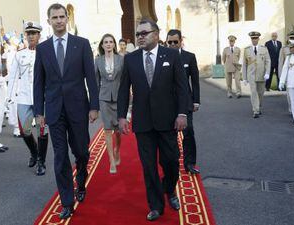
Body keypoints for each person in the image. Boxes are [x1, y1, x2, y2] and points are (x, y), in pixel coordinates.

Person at [118, 19, 188, 221]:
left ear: (156, 35)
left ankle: (170, 190)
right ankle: (156, 205)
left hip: (168, 121)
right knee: (148, 167)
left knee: (171, 161)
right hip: (143, 122)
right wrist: (122, 116)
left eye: (144, 33)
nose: (140, 36)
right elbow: (124, 89)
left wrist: (182, 113)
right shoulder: (130, 59)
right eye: (138, 33)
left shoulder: (172, 55)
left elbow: (182, 87)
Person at [33, 3, 99, 219]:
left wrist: (94, 106)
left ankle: (81, 177)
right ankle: (67, 202)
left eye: (62, 16)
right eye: (55, 17)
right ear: (49, 20)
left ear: (67, 19)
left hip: (78, 107)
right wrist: (39, 111)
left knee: (81, 151)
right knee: (60, 156)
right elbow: (38, 82)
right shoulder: (42, 49)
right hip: (54, 110)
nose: (59, 20)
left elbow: (91, 77)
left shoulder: (81, 44)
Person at [8, 21, 49, 176]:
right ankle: (34, 152)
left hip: (42, 98)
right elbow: (12, 77)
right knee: (25, 130)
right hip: (24, 97)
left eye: (34, 33)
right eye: (29, 33)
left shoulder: (46, 53)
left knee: (42, 130)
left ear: (39, 35)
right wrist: (9, 97)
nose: (31, 36)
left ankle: (41, 162)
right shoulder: (19, 55)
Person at [166, 29, 200, 174]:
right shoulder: (162, 56)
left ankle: (190, 163)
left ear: (181, 41)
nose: (173, 44)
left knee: (189, 132)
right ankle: (172, 162)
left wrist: (196, 101)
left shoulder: (189, 57)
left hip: (186, 102)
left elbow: (195, 80)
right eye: (170, 42)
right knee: (169, 134)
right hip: (167, 102)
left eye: (175, 41)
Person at [95, 33, 123, 174]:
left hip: (119, 98)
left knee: (118, 131)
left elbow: (125, 80)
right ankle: (111, 160)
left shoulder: (121, 59)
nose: (108, 44)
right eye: (105, 42)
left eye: (111, 41)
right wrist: (95, 101)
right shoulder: (98, 60)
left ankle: (117, 150)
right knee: (107, 130)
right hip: (104, 98)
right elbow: (96, 81)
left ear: (114, 44)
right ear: (102, 45)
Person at [242, 31, 271, 118]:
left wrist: (267, 73)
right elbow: (245, 64)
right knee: (253, 92)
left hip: (261, 74)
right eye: (252, 38)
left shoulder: (264, 49)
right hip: (251, 75)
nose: (254, 40)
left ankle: (259, 106)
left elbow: (268, 61)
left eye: (256, 38)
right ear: (251, 39)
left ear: (258, 39)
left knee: (261, 93)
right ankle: (256, 110)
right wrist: (244, 77)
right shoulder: (247, 50)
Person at [3, 32, 21, 137]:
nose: (16, 38)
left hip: (20, 81)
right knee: (14, 104)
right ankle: (16, 128)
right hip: (15, 81)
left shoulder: (16, 51)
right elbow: (10, 70)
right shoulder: (10, 53)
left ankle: (20, 126)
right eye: (14, 37)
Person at [279, 31, 294, 114]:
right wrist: (281, 77)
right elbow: (281, 62)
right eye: (291, 38)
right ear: (288, 38)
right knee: (290, 94)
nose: (292, 39)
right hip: (289, 75)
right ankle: (292, 108)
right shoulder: (284, 49)